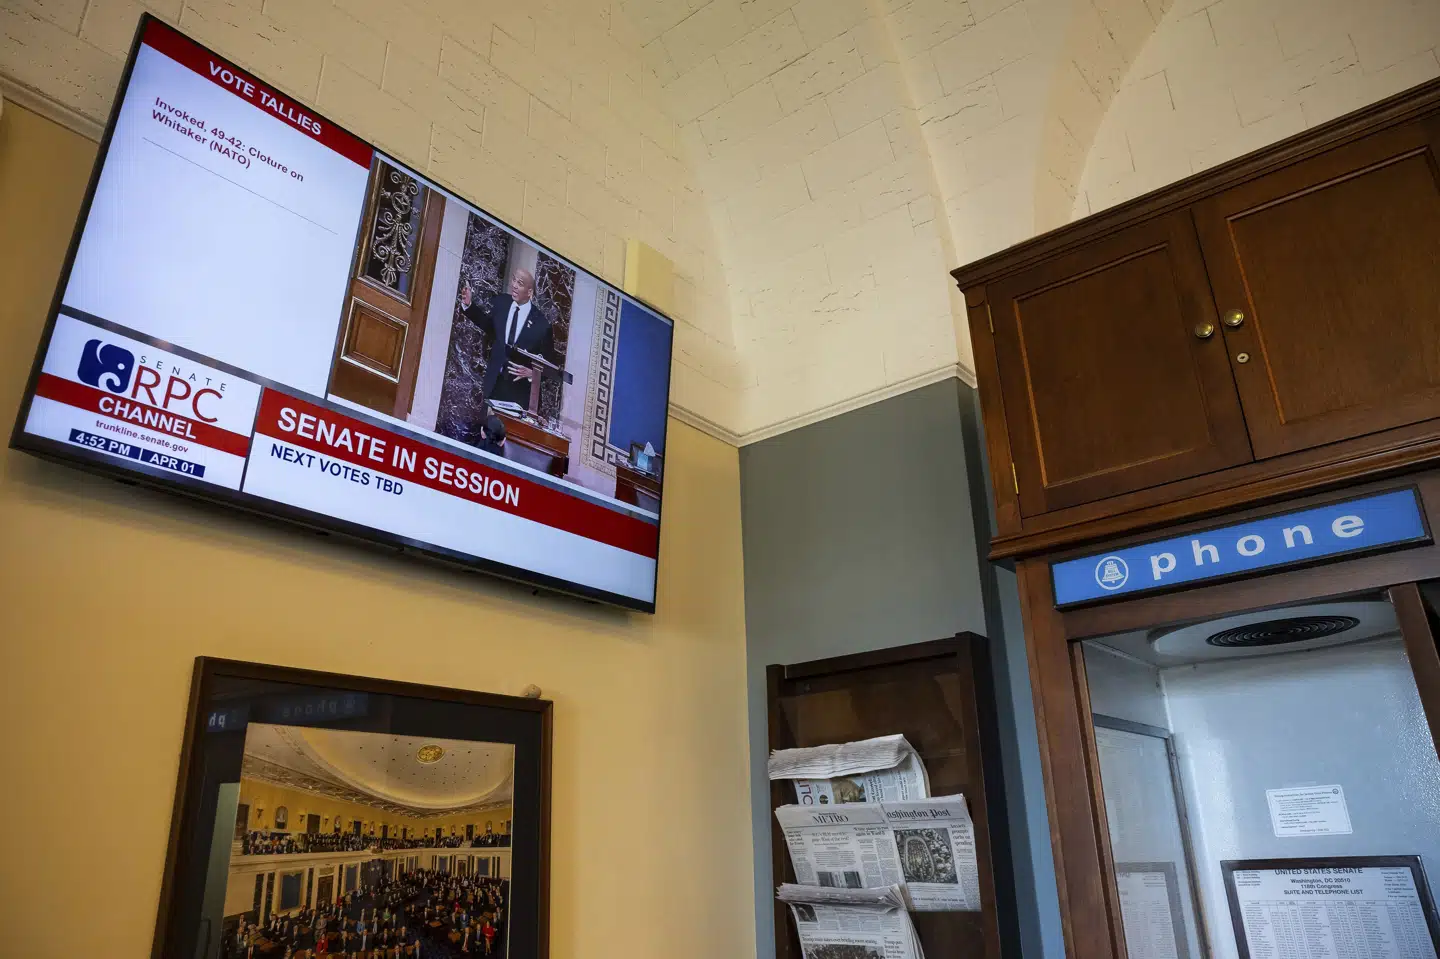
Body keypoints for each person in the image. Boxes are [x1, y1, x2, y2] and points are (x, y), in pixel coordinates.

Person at [458, 269, 554, 409]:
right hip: (493, 385)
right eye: (514, 280)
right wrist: (469, 306)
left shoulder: (542, 325)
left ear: (529, 292)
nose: (514, 285)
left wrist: (533, 374)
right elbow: (490, 327)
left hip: (518, 395)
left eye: (520, 283)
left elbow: (550, 367)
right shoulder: (501, 302)